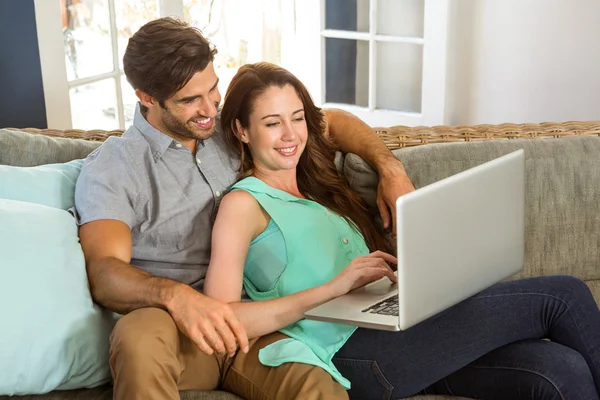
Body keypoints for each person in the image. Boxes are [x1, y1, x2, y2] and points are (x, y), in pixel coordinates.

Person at [204, 61, 600, 400]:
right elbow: (223, 318)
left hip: (397, 326)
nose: (291, 135)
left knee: (558, 367)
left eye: (297, 118)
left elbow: (336, 121)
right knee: (562, 295)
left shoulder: (312, 180)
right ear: (241, 130)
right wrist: (333, 288)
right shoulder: (243, 205)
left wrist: (390, 169)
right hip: (350, 351)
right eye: (272, 124)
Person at [74, 17, 413, 400]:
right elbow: (104, 271)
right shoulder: (116, 167)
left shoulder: (228, 129)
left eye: (213, 89)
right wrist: (176, 296)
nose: (208, 108)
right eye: (190, 100)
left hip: (257, 322)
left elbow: (326, 122)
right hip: (175, 330)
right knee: (138, 334)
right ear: (147, 98)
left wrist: (390, 168)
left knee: (313, 382)